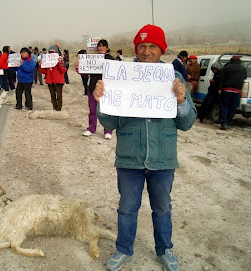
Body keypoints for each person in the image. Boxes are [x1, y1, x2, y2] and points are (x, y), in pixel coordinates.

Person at [93, 24, 197, 271]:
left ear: (161, 49)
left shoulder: (175, 77)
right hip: (130, 158)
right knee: (127, 208)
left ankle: (165, 250)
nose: (146, 51)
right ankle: (123, 249)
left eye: (152, 46)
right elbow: (108, 122)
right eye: (142, 46)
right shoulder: (121, 75)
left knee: (162, 208)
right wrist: (101, 101)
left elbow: (187, 122)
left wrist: (181, 100)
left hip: (163, 159)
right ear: (136, 48)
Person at [83, 39, 114, 139]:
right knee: (92, 110)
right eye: (99, 46)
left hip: (106, 89)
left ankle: (108, 131)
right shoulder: (92, 59)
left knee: (106, 111)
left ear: (107, 48)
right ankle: (91, 129)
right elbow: (84, 72)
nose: (101, 48)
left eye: (103, 46)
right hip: (92, 87)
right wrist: (79, 67)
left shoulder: (111, 59)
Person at [218, 55, 247, 130]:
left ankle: (223, 122)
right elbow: (245, 78)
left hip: (226, 89)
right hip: (237, 91)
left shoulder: (226, 67)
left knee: (224, 106)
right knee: (232, 108)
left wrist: (219, 88)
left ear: (231, 60)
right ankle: (228, 122)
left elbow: (221, 79)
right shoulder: (243, 69)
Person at [40, 45, 66, 111]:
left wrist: (58, 63)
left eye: (53, 52)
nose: (52, 54)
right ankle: (54, 108)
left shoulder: (61, 60)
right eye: (50, 52)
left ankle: (59, 109)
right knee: (52, 96)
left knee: (59, 96)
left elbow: (63, 70)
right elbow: (44, 72)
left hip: (59, 81)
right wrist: (41, 65)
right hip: (50, 81)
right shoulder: (47, 60)